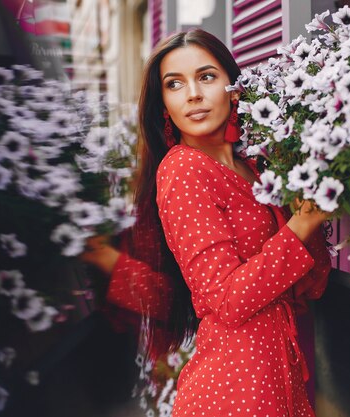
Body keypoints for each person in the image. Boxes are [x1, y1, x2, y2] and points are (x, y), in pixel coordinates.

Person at [137, 28, 332, 417]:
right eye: (175, 84)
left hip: (280, 374)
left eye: (206, 76)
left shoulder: (256, 169)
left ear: (234, 88)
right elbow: (225, 299)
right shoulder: (183, 169)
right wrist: (303, 222)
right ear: (164, 106)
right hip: (235, 389)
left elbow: (313, 281)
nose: (193, 93)